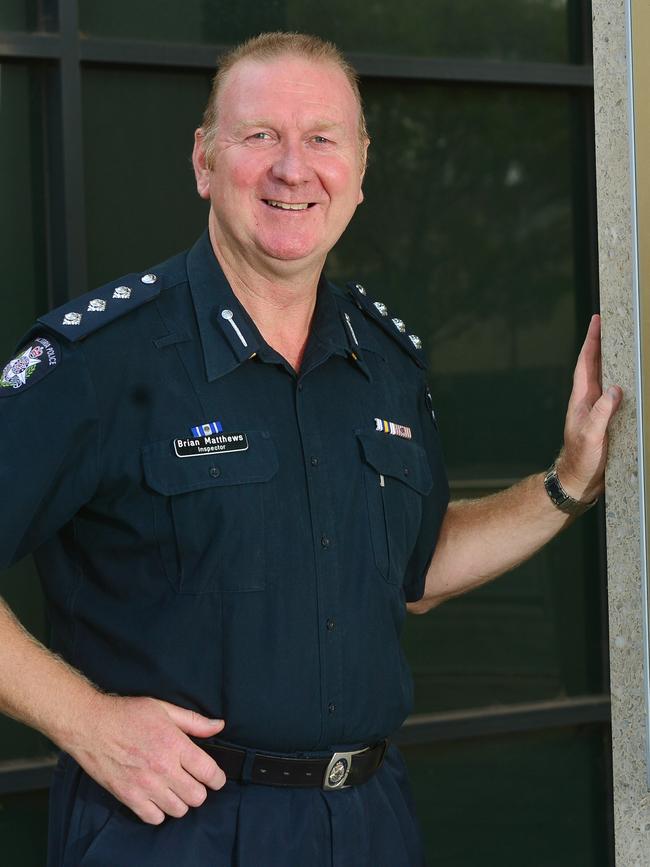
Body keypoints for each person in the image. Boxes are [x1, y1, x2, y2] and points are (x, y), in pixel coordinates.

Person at [0, 31, 621, 867]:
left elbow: (417, 569)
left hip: (367, 823)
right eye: (261, 136)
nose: (294, 168)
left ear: (360, 172)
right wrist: (87, 722)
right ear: (204, 161)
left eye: (322, 138)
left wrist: (568, 480)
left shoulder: (385, 365)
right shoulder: (101, 362)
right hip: (174, 829)